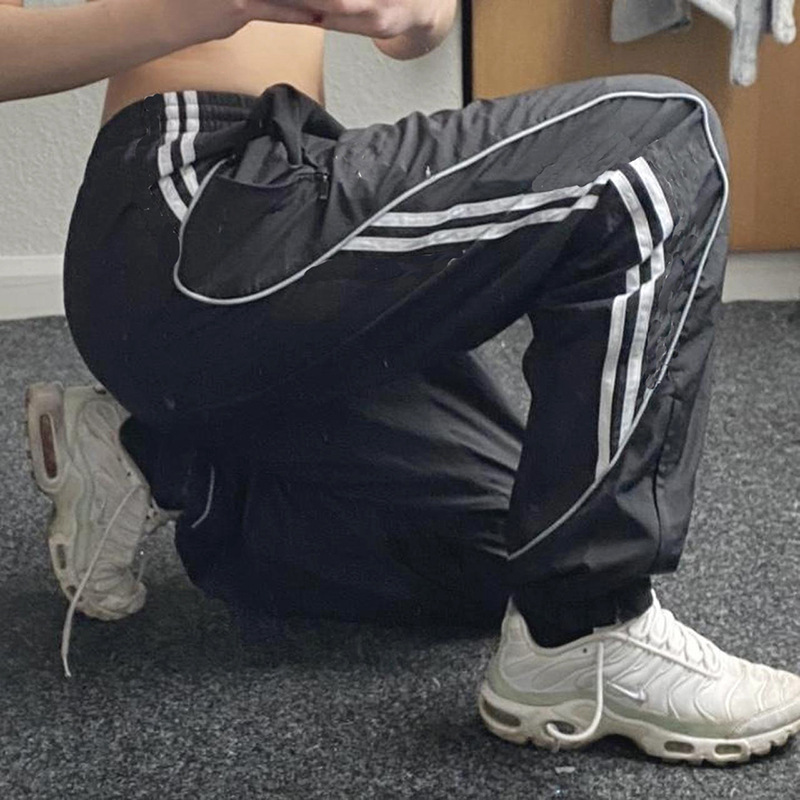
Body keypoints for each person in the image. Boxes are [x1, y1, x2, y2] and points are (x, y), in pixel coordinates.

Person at [6, 0, 798, 765]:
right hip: (187, 206)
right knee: (660, 139)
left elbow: (423, 26)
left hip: (289, 206)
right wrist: (184, 11)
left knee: (516, 544)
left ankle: (160, 460)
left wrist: (412, 15)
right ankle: (585, 632)